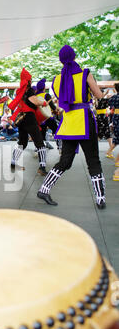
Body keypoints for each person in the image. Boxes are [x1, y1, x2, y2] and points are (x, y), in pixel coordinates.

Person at [37, 45, 105, 208]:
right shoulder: (85, 74)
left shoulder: (57, 80)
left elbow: (61, 102)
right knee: (93, 160)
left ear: (61, 60)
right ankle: (100, 199)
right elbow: (99, 95)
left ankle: (44, 189)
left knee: (65, 161)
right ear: (74, 57)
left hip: (68, 124)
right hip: (84, 122)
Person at [9, 68, 48, 175]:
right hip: (29, 118)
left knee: (22, 142)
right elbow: (34, 101)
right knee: (40, 142)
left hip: (21, 118)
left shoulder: (20, 90)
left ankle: (13, 163)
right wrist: (43, 103)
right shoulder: (29, 89)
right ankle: (42, 167)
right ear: (29, 80)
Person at [94, 88, 114, 158]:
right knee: (107, 133)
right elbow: (110, 101)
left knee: (100, 134)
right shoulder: (101, 100)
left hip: (99, 118)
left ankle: (94, 149)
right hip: (103, 118)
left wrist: (106, 95)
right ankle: (110, 151)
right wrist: (107, 95)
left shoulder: (96, 100)